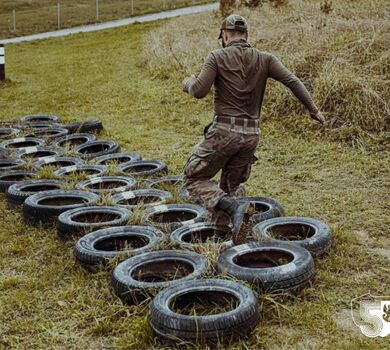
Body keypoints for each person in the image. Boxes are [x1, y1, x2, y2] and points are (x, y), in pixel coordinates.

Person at [182, 14, 325, 245]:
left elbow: (199, 91)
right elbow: (293, 81)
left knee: (193, 178)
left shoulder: (217, 56)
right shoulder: (265, 58)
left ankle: (235, 208)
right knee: (228, 187)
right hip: (251, 136)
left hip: (224, 133)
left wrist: (187, 82)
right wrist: (313, 109)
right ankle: (221, 236)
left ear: (225, 35)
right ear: (246, 35)